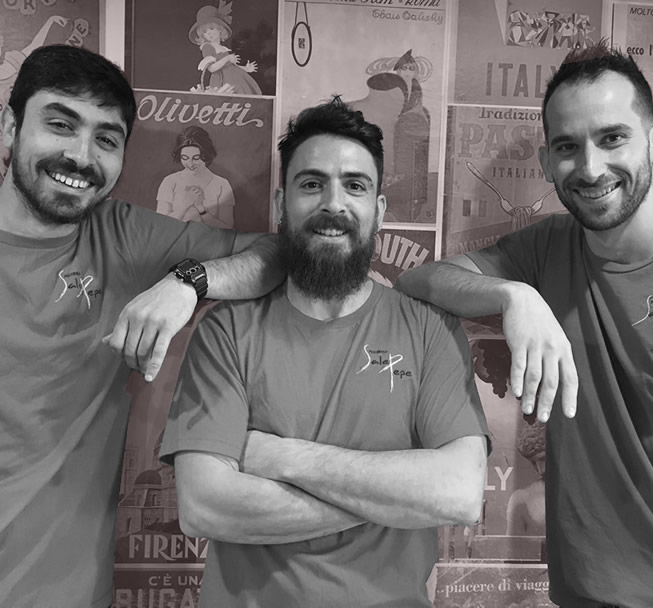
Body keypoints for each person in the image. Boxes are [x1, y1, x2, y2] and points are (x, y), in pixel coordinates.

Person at [160, 97, 489, 608]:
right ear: (282, 203)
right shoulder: (225, 330)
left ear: (379, 210)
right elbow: (205, 506)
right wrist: (392, 499)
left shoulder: (430, 330)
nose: (334, 204)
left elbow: (459, 494)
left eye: (355, 186)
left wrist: (279, 456)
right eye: (312, 184)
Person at [0, 45, 281, 608]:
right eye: (60, 124)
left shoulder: (124, 236)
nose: (80, 156)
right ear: (10, 127)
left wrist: (188, 283)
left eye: (105, 139)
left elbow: (278, 255)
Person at [397, 41, 653, 606]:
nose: (590, 168)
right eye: (568, 146)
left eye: (613, 138)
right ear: (545, 163)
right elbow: (421, 279)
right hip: (583, 593)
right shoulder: (546, 248)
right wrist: (512, 294)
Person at [156, 125, 235, 228]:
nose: (190, 164)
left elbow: (227, 227)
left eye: (196, 158)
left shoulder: (222, 184)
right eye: (185, 158)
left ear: (206, 155)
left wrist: (201, 209)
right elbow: (161, 225)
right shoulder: (169, 181)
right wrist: (185, 204)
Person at [189, 2, 261, 96]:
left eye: (212, 28)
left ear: (220, 29)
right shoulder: (207, 47)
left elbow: (231, 66)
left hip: (237, 79)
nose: (209, 33)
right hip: (222, 82)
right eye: (205, 31)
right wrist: (227, 58)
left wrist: (246, 69)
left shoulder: (223, 48)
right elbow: (212, 68)